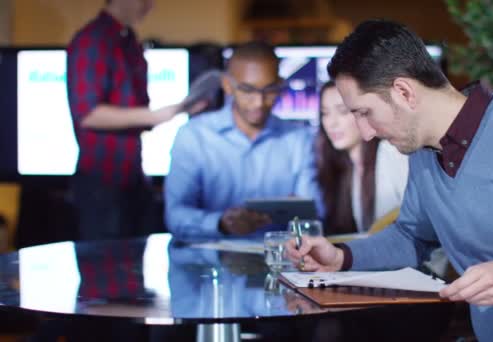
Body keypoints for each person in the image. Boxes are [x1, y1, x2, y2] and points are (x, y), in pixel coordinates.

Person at [287, 20, 493, 341]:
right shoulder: (423, 151)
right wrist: (342, 256)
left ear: (404, 92)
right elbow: (412, 236)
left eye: (364, 113)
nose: (366, 133)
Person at [164, 42, 320, 240]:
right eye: (247, 90)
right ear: (227, 85)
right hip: (211, 264)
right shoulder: (194, 136)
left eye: (270, 90)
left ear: (280, 84)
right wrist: (220, 222)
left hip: (282, 259)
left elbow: (315, 213)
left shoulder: (299, 139)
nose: (259, 102)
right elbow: (175, 215)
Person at [66, 0, 183, 241]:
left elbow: (131, 108)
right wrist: (156, 115)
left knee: (134, 266)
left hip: (133, 176)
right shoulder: (94, 40)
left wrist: (182, 109)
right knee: (105, 266)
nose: (151, 6)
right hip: (102, 181)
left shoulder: (128, 41)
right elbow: (88, 113)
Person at [316, 80, 408, 234]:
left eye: (343, 111)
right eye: (325, 113)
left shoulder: (391, 153)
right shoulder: (345, 170)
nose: (331, 123)